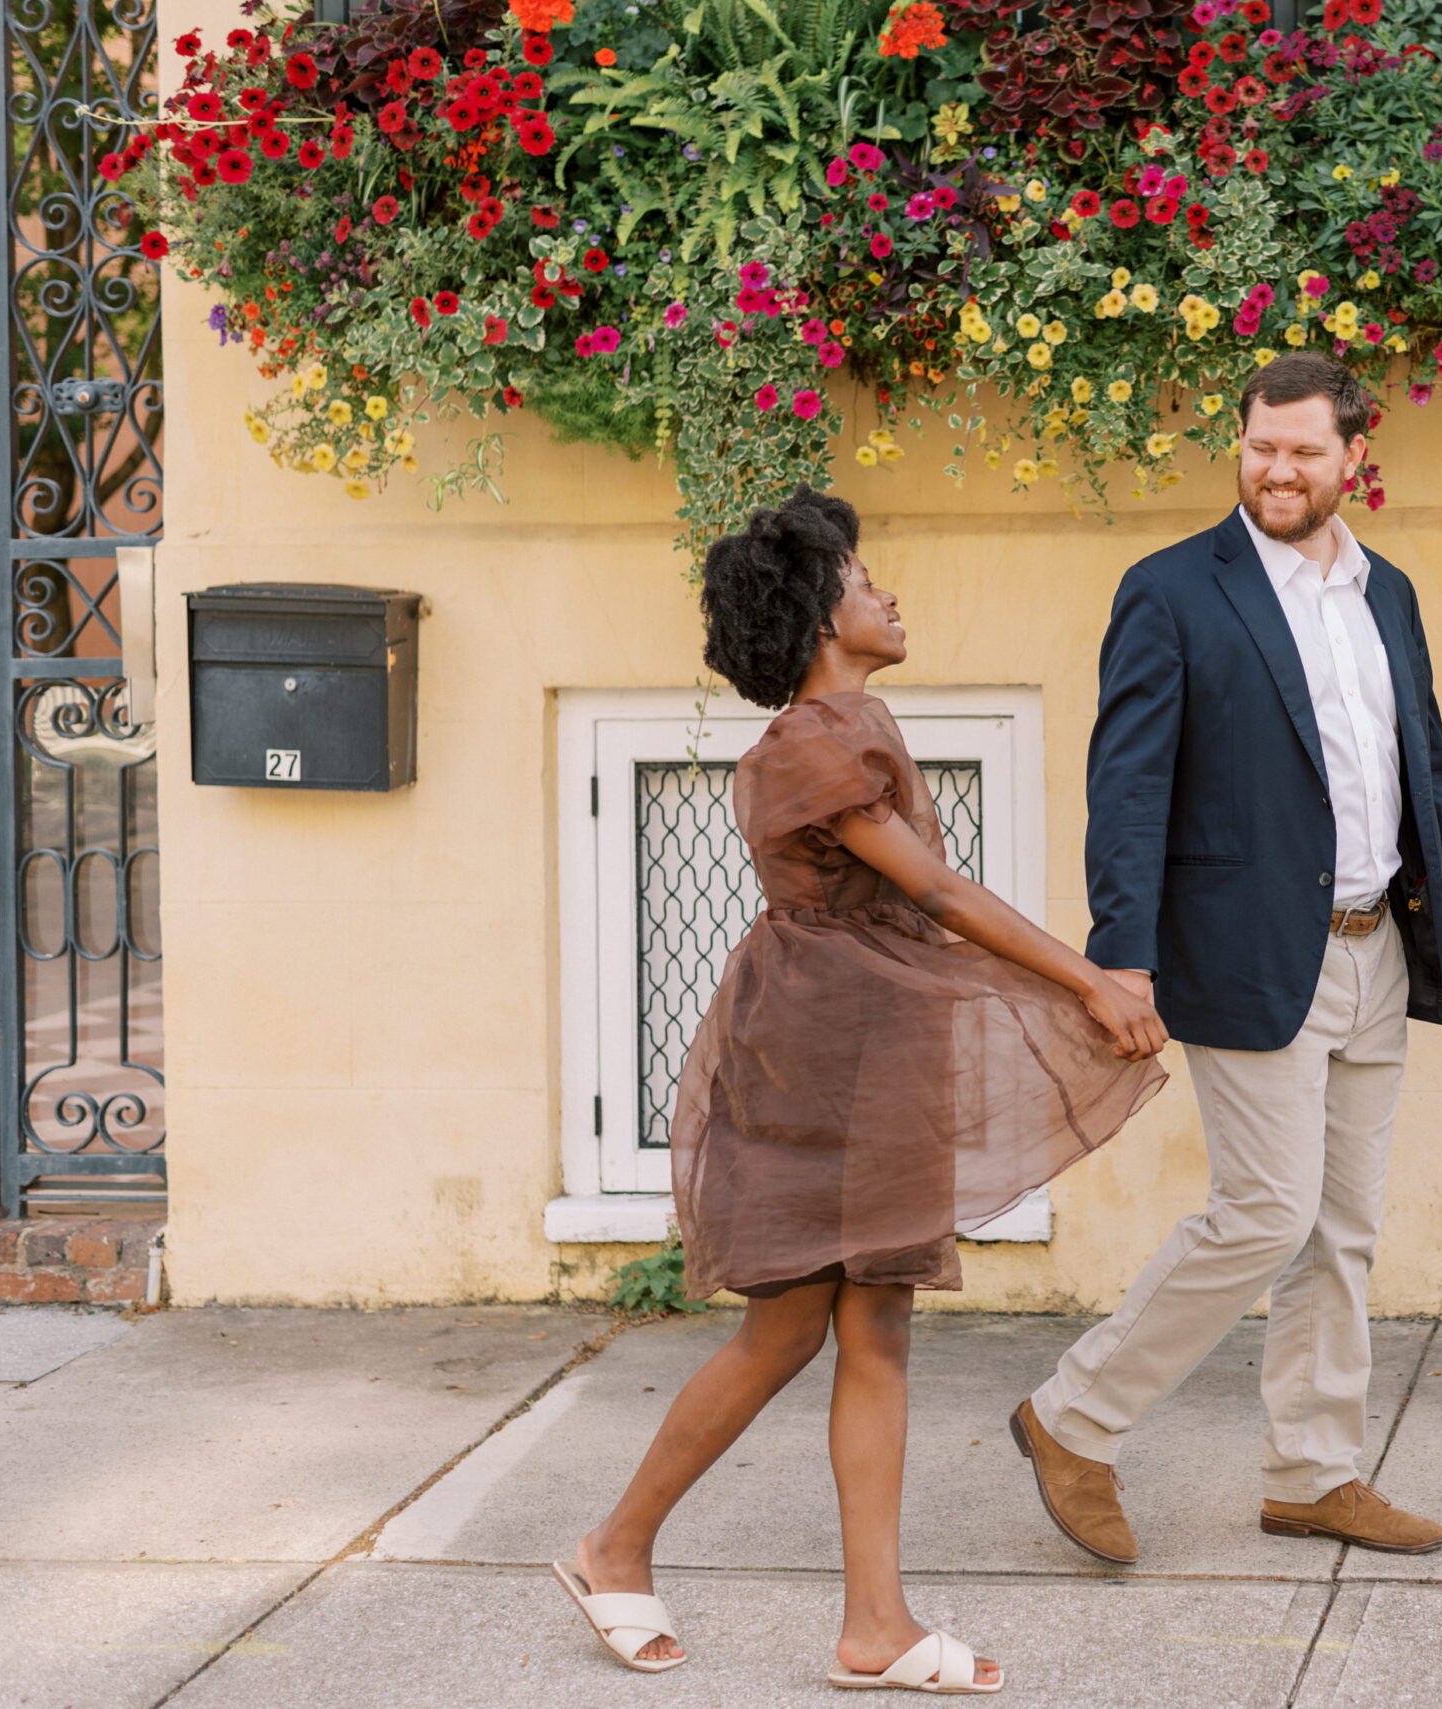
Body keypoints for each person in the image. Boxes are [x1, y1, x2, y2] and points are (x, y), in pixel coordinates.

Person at [552, 487, 1168, 1693]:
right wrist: (1090, 979)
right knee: (786, 1323)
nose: (887, 592)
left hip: (874, 1041)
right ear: (818, 612)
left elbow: (921, 900)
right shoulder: (810, 741)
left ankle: (873, 1625)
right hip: (821, 1048)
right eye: (863, 577)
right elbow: (935, 891)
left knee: (876, 1317)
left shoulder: (855, 720)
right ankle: (612, 1545)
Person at [1009, 353, 1442, 1565]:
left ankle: (1311, 1469)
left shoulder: (1385, 593)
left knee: (1341, 1226)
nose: (1276, 471)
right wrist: (1119, 958)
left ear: (1356, 458)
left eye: (1302, 451)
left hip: (1377, 946)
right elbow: (1126, 789)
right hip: (1245, 952)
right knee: (1265, 1211)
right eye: (1258, 448)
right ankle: (1072, 1417)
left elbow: (1423, 766)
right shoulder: (1174, 590)